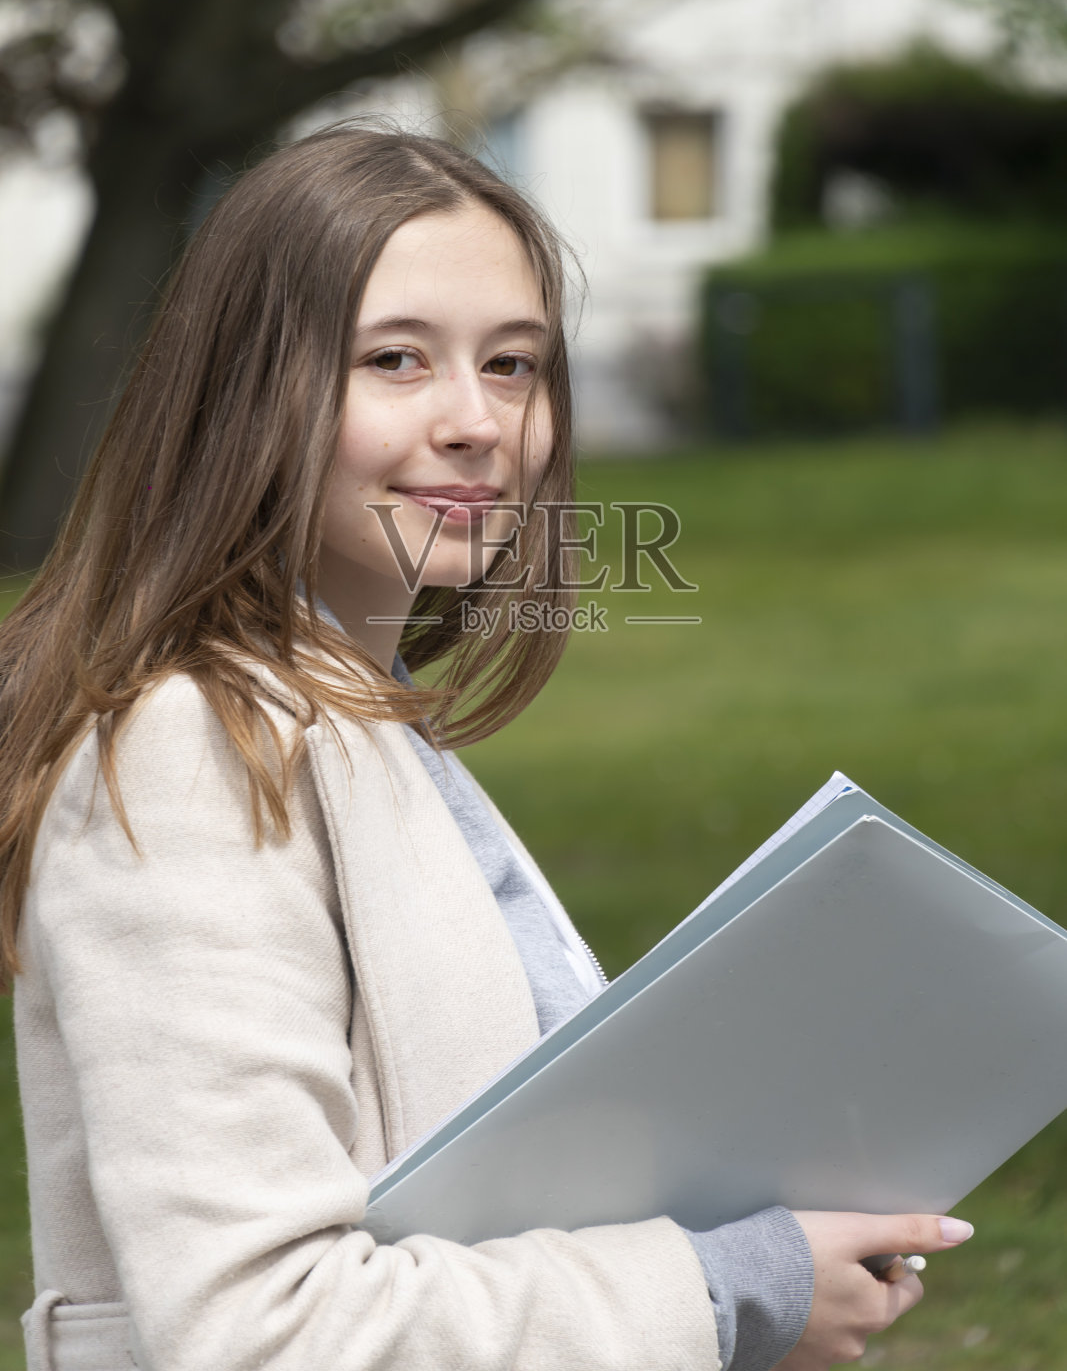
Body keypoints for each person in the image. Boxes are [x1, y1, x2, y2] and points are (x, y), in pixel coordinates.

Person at [0, 126, 972, 1371]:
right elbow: (264, 1327)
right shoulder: (192, 748)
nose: (478, 421)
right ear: (249, 392)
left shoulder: (357, 713)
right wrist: (734, 1284)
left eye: (513, 364)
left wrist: (762, 1252)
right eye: (395, 359)